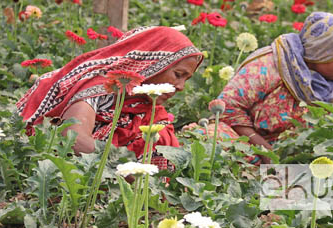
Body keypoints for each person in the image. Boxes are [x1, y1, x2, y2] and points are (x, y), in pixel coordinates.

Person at [16, 26, 203, 170]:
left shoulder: (142, 103)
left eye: (186, 79)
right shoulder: (100, 87)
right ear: (154, 64)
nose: (180, 87)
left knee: (159, 134)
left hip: (110, 172)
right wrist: (124, 169)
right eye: (178, 74)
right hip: (68, 169)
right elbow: (72, 137)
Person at [215, 11, 333, 161]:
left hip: (307, 158)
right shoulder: (271, 65)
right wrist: (265, 152)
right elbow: (228, 107)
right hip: (250, 145)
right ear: (321, 52)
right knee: (212, 139)